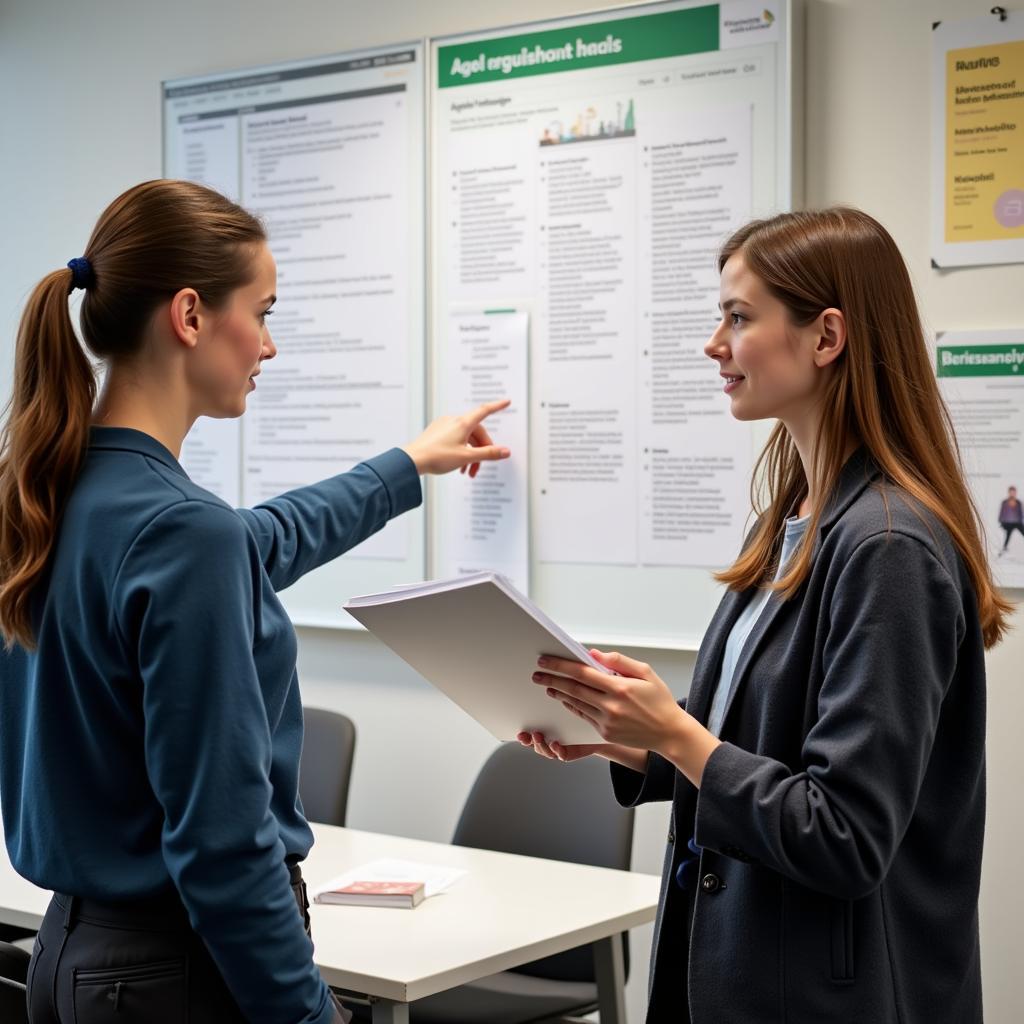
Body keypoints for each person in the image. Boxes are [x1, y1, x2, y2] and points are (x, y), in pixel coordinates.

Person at [0, 179, 510, 1024]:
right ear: (191, 315)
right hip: (178, 974)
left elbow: (259, 540)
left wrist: (407, 464)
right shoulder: (180, 531)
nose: (268, 346)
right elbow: (223, 847)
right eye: (262, 312)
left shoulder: (47, 496)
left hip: (68, 963)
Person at [519, 208, 1011, 1024]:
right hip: (744, 969)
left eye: (738, 318)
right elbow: (764, 751)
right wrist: (637, 740)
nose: (715, 343)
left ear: (826, 337)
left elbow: (844, 832)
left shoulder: (891, 546)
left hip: (829, 995)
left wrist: (678, 735)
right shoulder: (793, 517)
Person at [998, 484, 1023, 554]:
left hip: (1017, 523)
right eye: (1011, 492)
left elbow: (1021, 513)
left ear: (1015, 493)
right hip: (1008, 523)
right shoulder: (1004, 502)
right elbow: (1002, 513)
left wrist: (1021, 522)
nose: (1012, 494)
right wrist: (1001, 522)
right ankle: (1004, 547)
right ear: (1009, 492)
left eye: (1013, 492)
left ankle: (1004, 547)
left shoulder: (1018, 503)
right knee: (1008, 534)